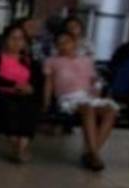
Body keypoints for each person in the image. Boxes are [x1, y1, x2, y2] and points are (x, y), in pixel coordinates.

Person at [44, 30, 119, 171]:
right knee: (87, 109)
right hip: (68, 97)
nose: (63, 46)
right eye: (59, 43)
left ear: (74, 43)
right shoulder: (52, 61)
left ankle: (91, 152)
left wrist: (97, 87)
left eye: (66, 42)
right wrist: (46, 102)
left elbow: (93, 80)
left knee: (111, 111)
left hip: (87, 95)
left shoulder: (86, 60)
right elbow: (48, 83)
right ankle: (94, 154)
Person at [0, 24, 40, 163]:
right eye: (13, 38)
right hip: (2, 93)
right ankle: (17, 148)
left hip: (24, 95)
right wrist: (13, 85)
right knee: (8, 107)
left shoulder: (29, 61)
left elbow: (36, 81)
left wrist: (31, 88)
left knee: (30, 107)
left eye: (21, 39)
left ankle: (20, 148)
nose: (17, 42)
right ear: (5, 39)